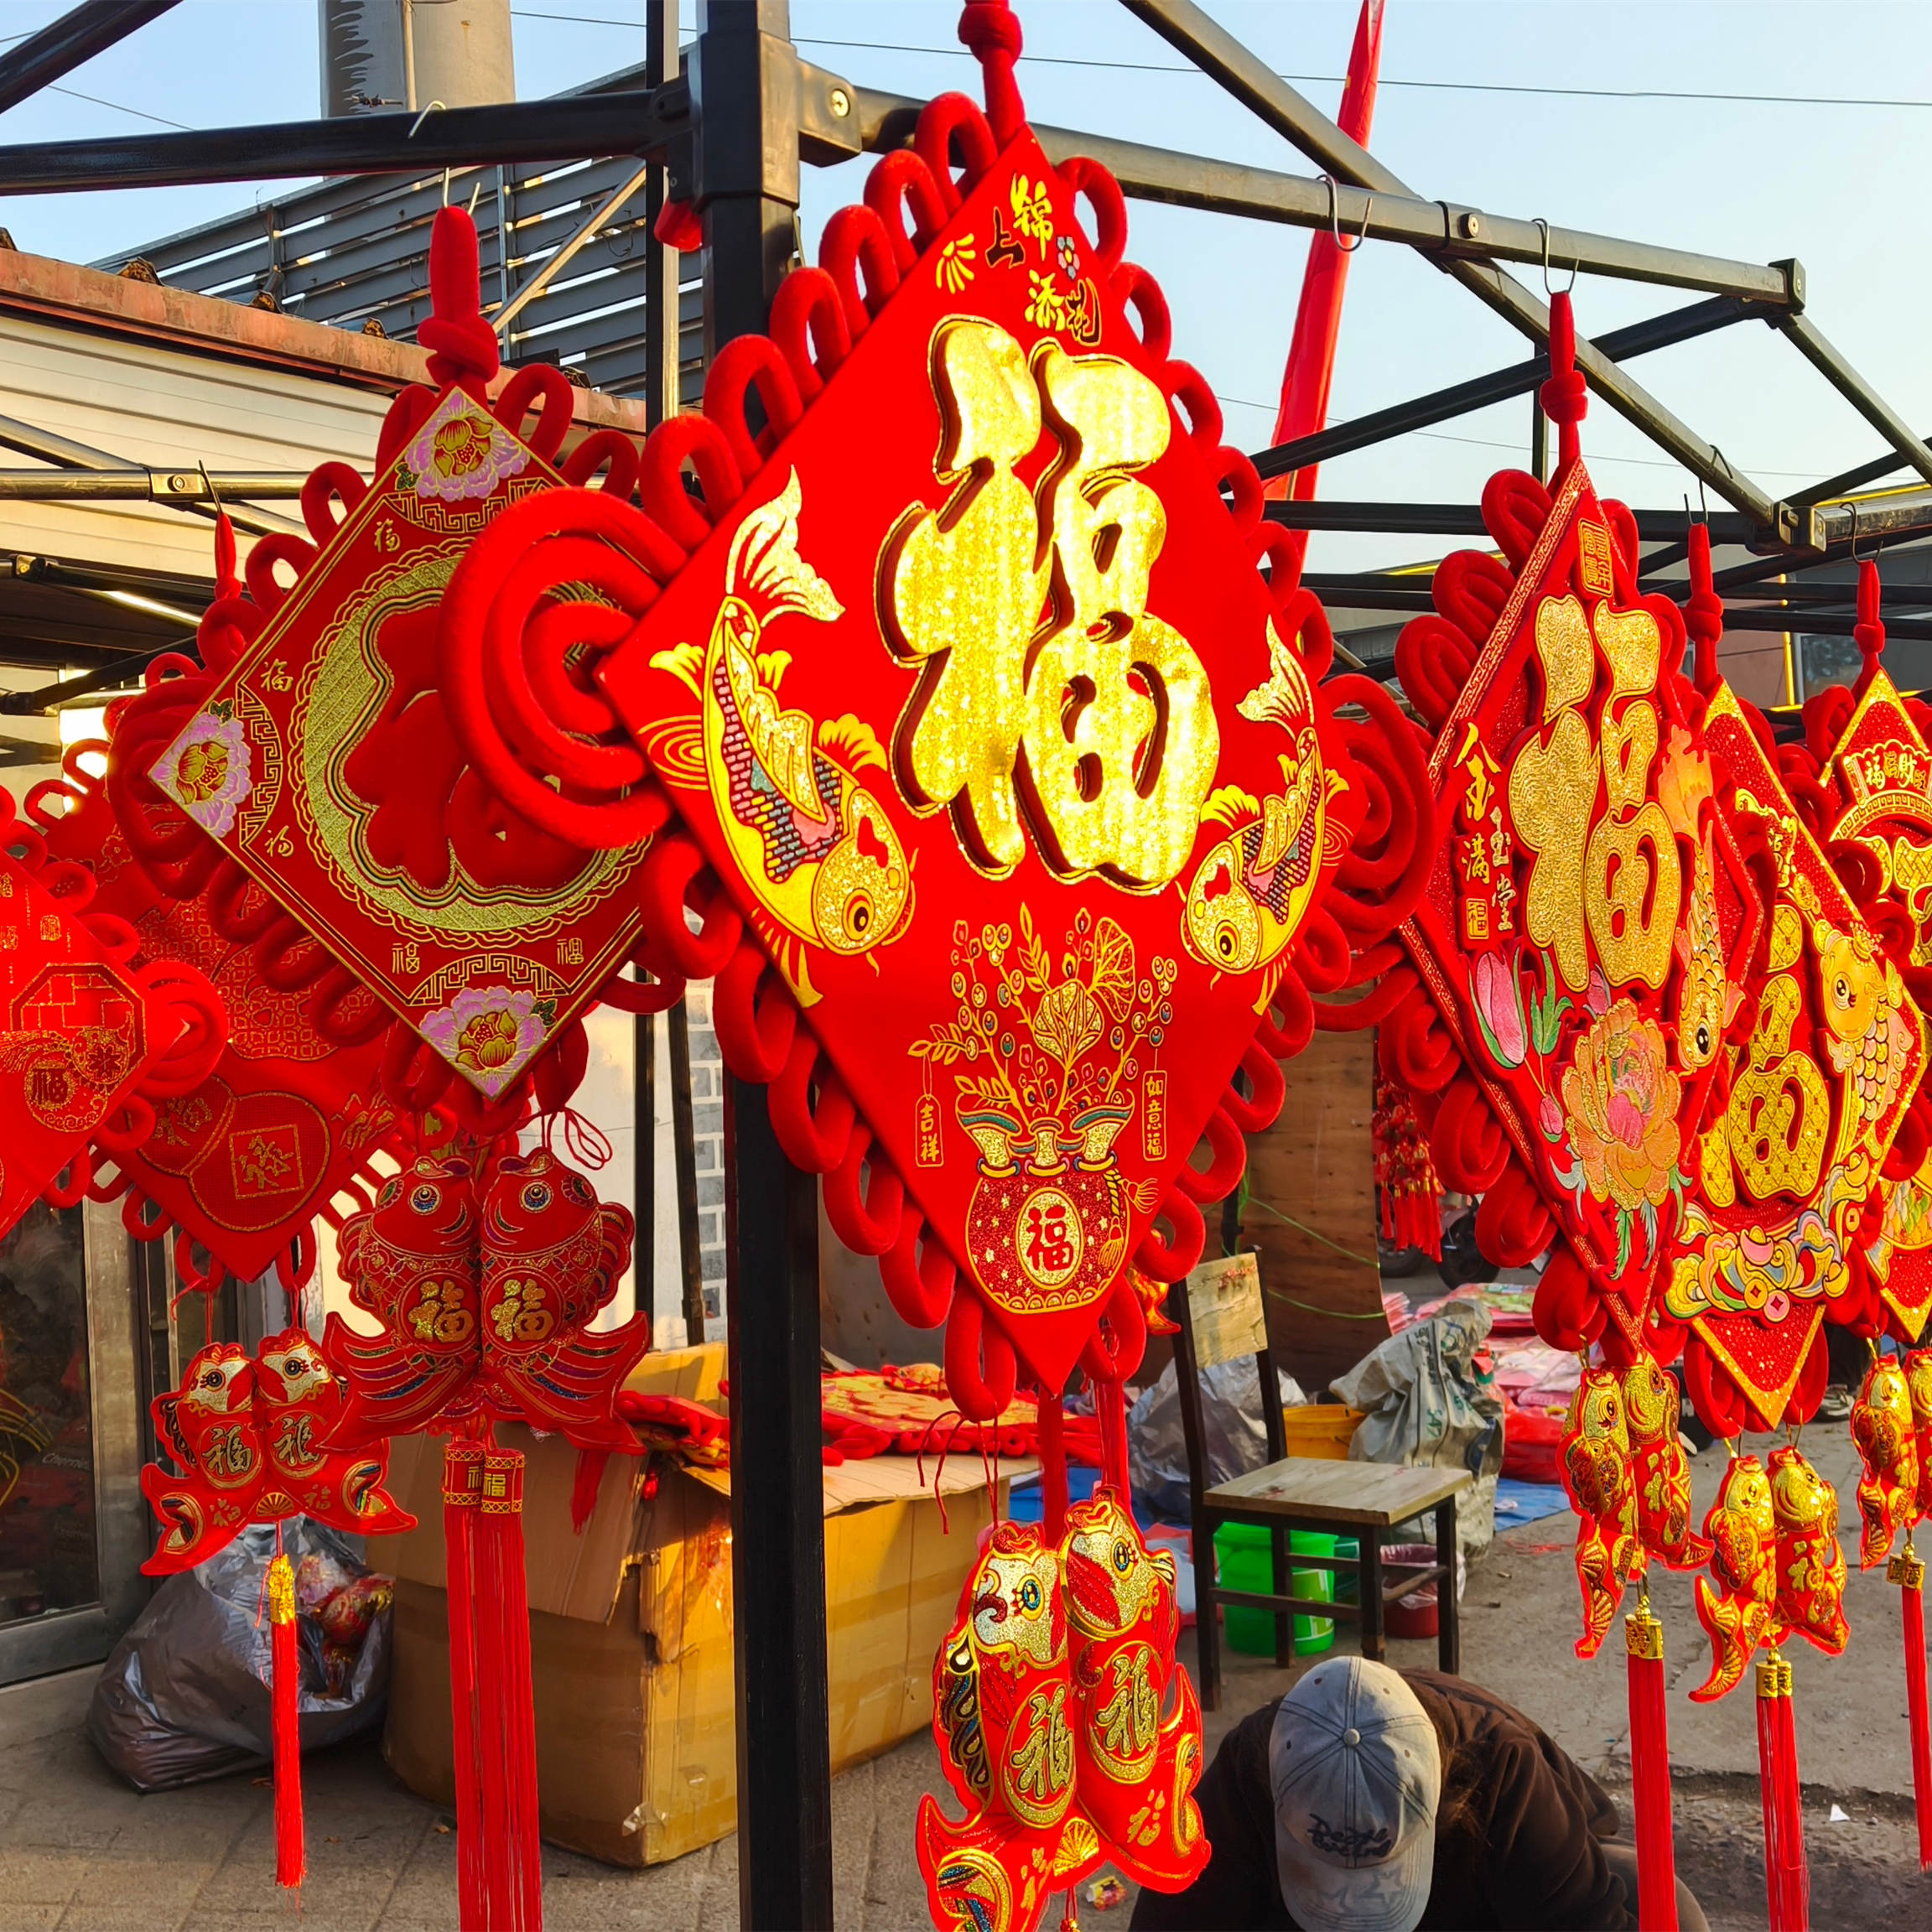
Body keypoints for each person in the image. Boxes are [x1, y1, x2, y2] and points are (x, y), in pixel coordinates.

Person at [1131, 1656, 1709, 1932]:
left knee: (1660, 1901)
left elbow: (1583, 1924)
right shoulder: (1249, 1767)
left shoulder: (1500, 1768)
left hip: (1483, 1915)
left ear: (1442, 1796)